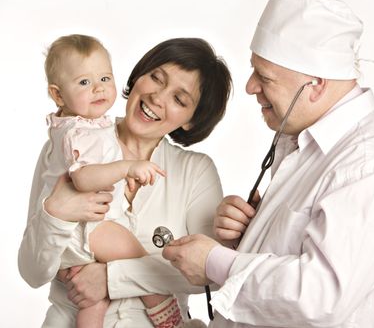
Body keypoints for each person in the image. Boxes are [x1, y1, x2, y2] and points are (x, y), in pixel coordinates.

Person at [161, 0, 374, 328]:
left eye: (264, 77)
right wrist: (244, 240)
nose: (250, 87)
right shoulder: (305, 146)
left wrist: (217, 262)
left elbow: (320, 297)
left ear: (317, 84)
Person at [18, 37, 232, 327]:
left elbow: (209, 274)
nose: (158, 97)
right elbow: (33, 272)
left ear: (191, 120)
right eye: (156, 77)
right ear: (139, 75)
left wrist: (111, 279)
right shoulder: (72, 146)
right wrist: (56, 214)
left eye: (179, 99)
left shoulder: (195, 172)